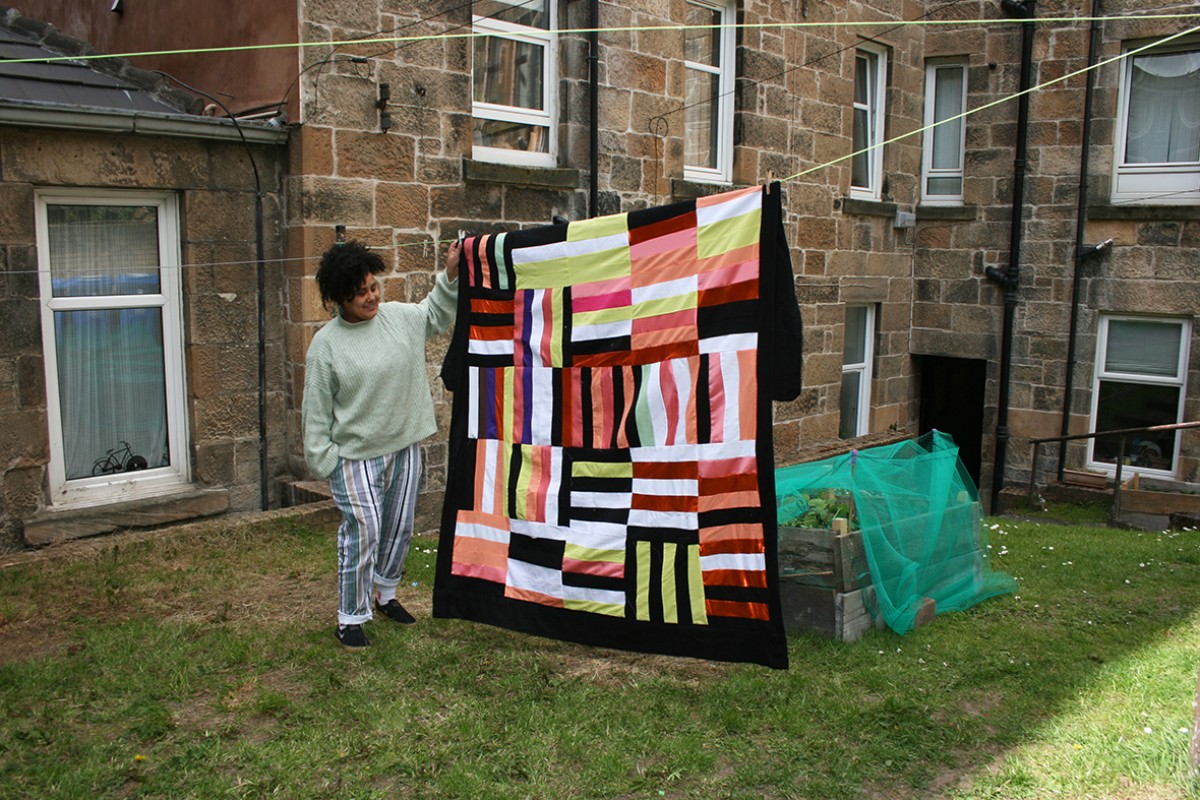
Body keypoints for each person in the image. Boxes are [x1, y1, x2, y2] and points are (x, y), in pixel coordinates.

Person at [302, 238, 461, 649]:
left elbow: (435, 313)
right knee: (364, 529)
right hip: (354, 456)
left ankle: (386, 595)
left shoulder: (398, 318)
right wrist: (327, 462)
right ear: (340, 298)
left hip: (404, 444)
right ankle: (350, 618)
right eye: (360, 293)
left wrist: (451, 272)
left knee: (397, 527)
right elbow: (316, 411)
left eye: (373, 287)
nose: (371, 297)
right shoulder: (326, 346)